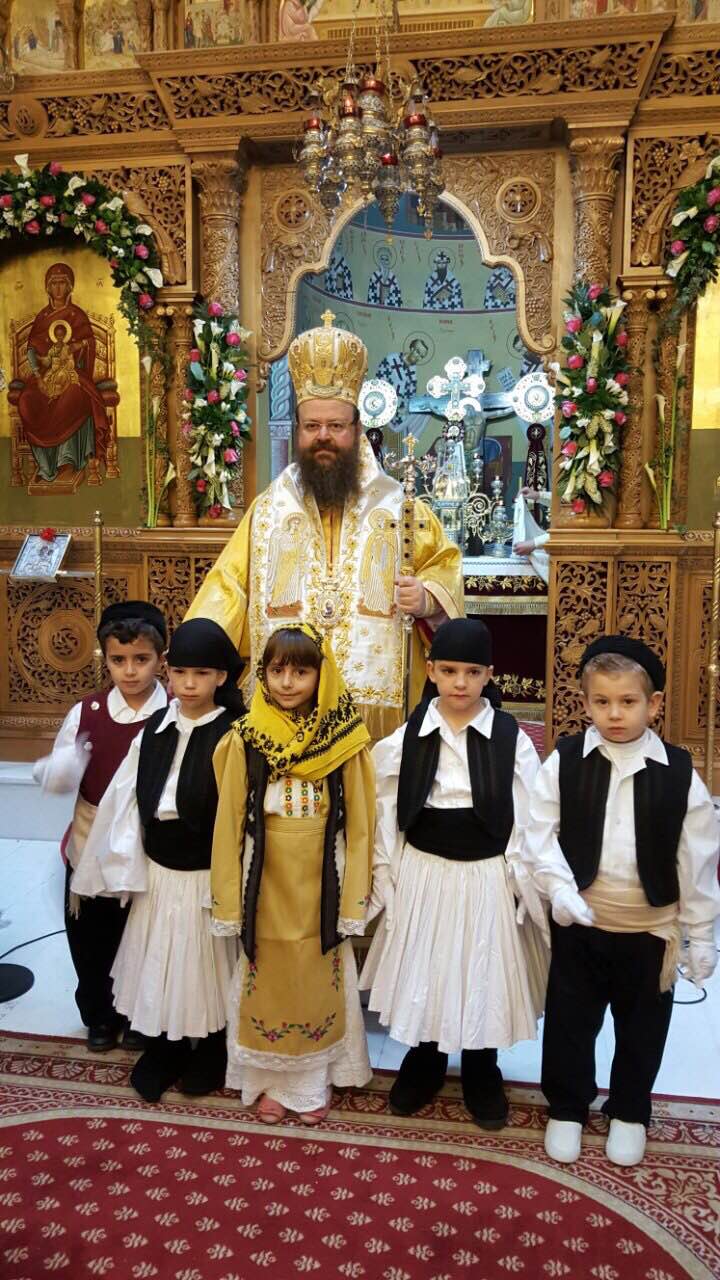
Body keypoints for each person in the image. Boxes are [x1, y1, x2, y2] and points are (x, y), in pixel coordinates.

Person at [186, 310, 464, 741]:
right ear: (297, 429)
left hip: (373, 707)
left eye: (336, 426)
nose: (324, 437)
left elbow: (445, 567)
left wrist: (427, 597)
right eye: (312, 426)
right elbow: (229, 587)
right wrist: (193, 656)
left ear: (357, 428)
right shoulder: (268, 511)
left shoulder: (402, 508)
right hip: (284, 701)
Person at [523, 635, 720, 1167]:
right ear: (585, 703)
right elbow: (539, 835)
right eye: (602, 701)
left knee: (642, 1028)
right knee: (570, 1022)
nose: (614, 713)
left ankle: (630, 1110)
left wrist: (701, 934)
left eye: (628, 701)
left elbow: (696, 859)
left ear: (653, 704)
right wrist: (558, 889)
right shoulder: (565, 761)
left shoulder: (679, 773)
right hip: (582, 921)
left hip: (649, 929)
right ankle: (568, 1106)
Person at [361, 618, 549, 1128]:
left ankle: (482, 1067)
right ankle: (424, 1059)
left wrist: (520, 876)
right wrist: (387, 867)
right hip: (425, 871)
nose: (460, 683)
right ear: (431, 671)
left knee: (481, 968)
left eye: (472, 672)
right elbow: (382, 801)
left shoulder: (511, 738)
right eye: (448, 671)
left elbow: (530, 810)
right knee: (429, 965)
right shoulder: (410, 736)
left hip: (487, 872)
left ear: (489, 674)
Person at [71, 619, 245, 1103]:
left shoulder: (236, 735)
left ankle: (212, 1046)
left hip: (208, 873)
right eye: (180, 672)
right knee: (162, 959)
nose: (189, 684)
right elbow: (125, 800)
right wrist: (114, 865)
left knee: (205, 966)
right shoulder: (156, 729)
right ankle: (167, 1045)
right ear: (168, 672)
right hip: (160, 870)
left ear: (221, 677)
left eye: (202, 674)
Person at [211, 623, 375, 1125]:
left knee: (316, 976)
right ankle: (268, 1083)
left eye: (301, 672)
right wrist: (227, 900)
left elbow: (362, 825)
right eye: (277, 670)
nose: (287, 682)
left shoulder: (344, 738)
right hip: (263, 878)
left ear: (322, 676)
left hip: (324, 877)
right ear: (262, 674)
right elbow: (228, 823)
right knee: (269, 975)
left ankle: (312, 1083)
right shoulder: (245, 737)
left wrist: (355, 898)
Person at [33, 601, 168, 1052]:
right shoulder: (86, 712)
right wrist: (59, 770)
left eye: (141, 659)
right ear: (104, 658)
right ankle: (100, 1015)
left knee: (143, 934)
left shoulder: (173, 713)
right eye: (118, 660)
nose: (129, 671)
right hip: (92, 841)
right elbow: (62, 775)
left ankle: (140, 1015)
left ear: (161, 659)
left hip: (150, 845)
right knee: (92, 935)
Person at [14, 262, 110, 484]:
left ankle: (67, 459)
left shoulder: (77, 315)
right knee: (28, 399)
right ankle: (45, 465)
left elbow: (89, 342)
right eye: (54, 283)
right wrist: (38, 374)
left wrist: (80, 345)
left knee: (71, 397)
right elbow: (32, 349)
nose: (58, 288)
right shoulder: (42, 317)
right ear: (47, 288)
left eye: (62, 283)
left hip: (74, 373)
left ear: (70, 287)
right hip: (44, 375)